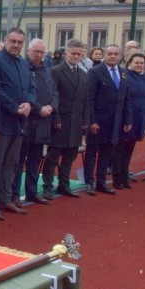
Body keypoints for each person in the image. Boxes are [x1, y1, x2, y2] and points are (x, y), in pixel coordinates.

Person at [0, 28, 36, 220]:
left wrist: (29, 103)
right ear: (6, 40)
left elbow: (31, 87)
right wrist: (15, 107)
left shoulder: (22, 63)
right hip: (2, 121)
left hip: (20, 123)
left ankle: (5, 199)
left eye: (20, 42)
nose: (16, 45)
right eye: (13, 41)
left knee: (11, 164)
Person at [43, 39, 89, 199]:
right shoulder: (55, 71)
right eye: (73, 53)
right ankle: (48, 186)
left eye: (79, 54)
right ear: (66, 53)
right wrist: (55, 120)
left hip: (76, 123)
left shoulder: (83, 74)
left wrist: (85, 121)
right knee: (53, 157)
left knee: (70, 156)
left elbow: (85, 100)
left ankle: (64, 185)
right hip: (60, 121)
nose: (76, 56)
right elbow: (51, 97)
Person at [83, 44, 132, 195]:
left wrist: (128, 119)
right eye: (109, 53)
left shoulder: (123, 72)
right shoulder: (95, 72)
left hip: (115, 121)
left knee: (107, 153)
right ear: (104, 55)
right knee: (92, 153)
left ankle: (101, 181)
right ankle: (89, 182)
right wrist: (91, 120)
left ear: (120, 56)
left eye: (116, 54)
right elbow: (89, 98)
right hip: (98, 121)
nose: (112, 56)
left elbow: (126, 98)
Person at [16, 38, 58, 204]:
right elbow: (24, 93)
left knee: (35, 160)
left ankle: (32, 192)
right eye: (36, 51)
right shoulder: (23, 68)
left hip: (43, 124)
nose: (39, 55)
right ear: (28, 51)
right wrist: (39, 108)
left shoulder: (47, 70)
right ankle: (14, 195)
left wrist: (51, 107)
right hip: (27, 122)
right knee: (19, 162)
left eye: (42, 52)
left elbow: (55, 92)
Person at [113, 52, 145, 188]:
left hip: (140, 119)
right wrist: (126, 119)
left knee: (130, 149)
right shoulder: (124, 75)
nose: (139, 65)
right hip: (126, 119)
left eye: (142, 63)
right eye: (136, 62)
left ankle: (125, 176)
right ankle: (117, 178)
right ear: (130, 62)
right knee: (120, 149)